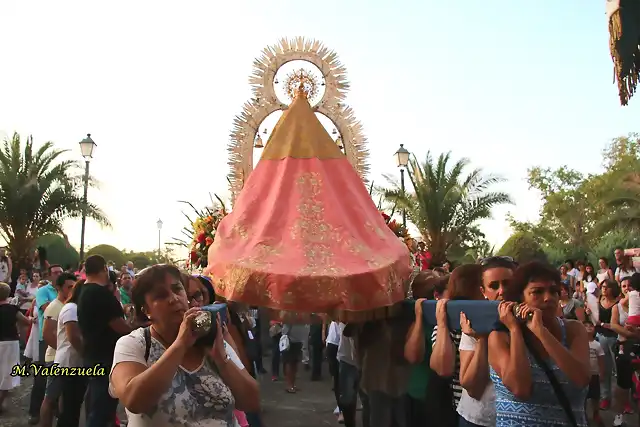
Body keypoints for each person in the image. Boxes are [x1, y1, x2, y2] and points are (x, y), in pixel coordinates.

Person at [109, 264, 259, 426]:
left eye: (177, 289)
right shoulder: (134, 344)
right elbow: (134, 401)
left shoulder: (209, 337)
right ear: (146, 310)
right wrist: (180, 344)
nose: (174, 298)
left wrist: (221, 359)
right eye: (160, 295)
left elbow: (251, 401)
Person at [489, 261, 590, 426]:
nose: (548, 298)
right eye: (537, 292)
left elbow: (581, 378)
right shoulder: (501, 336)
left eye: (554, 291)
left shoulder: (574, 330)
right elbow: (520, 388)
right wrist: (515, 330)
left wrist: (542, 333)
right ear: (520, 298)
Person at [457, 256, 516, 427]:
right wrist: (482, 339)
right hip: (478, 418)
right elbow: (471, 387)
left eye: (507, 283)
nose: (502, 291)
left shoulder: (533, 320)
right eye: (494, 286)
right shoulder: (474, 321)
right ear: (483, 291)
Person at [78, 255, 133, 427]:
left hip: (93, 354)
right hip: (104, 357)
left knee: (98, 406)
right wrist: (137, 329)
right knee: (102, 409)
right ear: (103, 269)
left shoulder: (84, 291)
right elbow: (118, 325)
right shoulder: (99, 293)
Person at [40, 272, 76, 427]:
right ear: (59, 287)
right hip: (54, 359)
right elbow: (47, 334)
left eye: (73, 287)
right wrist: (62, 352)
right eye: (69, 287)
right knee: (50, 397)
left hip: (64, 358)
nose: (71, 290)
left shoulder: (68, 305)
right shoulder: (54, 306)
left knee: (63, 398)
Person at [28, 264, 62, 425]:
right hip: (45, 338)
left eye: (60, 273)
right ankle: (34, 411)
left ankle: (54, 409)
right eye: (55, 273)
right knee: (41, 377)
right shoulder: (43, 291)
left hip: (62, 338)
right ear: (49, 276)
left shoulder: (64, 291)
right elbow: (45, 307)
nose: (58, 275)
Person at [55, 279, 87, 427]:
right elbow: (73, 336)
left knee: (74, 406)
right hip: (69, 363)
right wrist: (87, 354)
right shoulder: (71, 308)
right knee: (69, 407)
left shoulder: (76, 308)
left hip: (74, 363)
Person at [0, 282, 35, 413]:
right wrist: (32, 319)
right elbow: (25, 322)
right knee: (7, 373)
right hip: (10, 343)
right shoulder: (12, 309)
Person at [583, 319, 604, 425]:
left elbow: (601, 359)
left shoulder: (597, 345)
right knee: (583, 396)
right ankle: (583, 414)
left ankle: (596, 413)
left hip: (594, 374)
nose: (589, 327)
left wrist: (601, 372)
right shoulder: (580, 343)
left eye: (591, 326)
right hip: (583, 374)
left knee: (595, 396)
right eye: (586, 326)